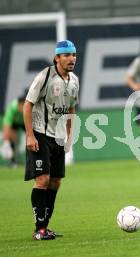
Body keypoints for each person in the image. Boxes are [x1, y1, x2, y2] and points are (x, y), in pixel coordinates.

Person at [24, 40, 79, 240]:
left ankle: (44, 228)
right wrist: (29, 135)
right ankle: (39, 229)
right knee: (43, 179)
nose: (71, 58)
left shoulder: (74, 81)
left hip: (58, 137)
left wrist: (70, 136)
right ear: (57, 58)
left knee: (55, 182)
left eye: (73, 54)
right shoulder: (45, 77)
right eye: (66, 55)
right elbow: (27, 105)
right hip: (40, 133)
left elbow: (71, 108)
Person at [1, 93, 26, 167]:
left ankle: (33, 160)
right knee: (12, 140)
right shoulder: (12, 108)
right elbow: (7, 125)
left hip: (24, 122)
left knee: (32, 137)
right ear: (18, 104)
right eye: (21, 106)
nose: (22, 108)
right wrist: (6, 141)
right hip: (14, 123)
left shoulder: (28, 107)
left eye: (23, 105)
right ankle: (13, 162)